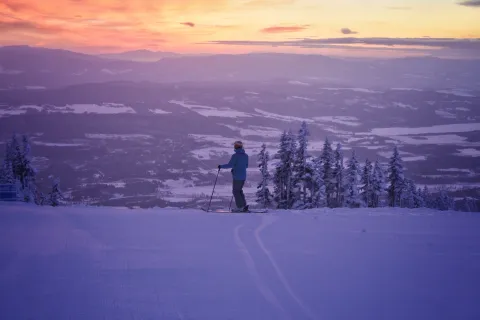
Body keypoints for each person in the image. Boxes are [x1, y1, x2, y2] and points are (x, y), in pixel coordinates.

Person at [218, 141, 249, 212]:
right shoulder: (246, 155)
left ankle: (240, 207)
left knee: (235, 191)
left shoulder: (235, 156)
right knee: (239, 191)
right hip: (243, 176)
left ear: (235, 147)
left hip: (237, 177)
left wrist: (221, 166)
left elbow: (230, 165)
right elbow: (246, 166)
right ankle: (244, 206)